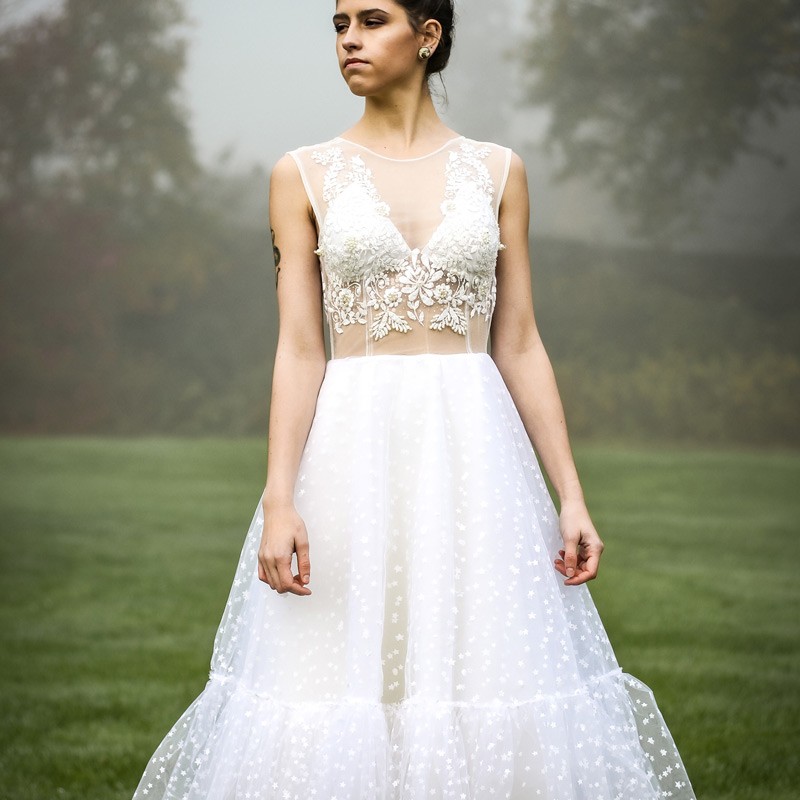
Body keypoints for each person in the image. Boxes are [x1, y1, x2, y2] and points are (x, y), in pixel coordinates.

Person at [131, 1, 696, 798]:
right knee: (342, 676)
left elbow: (521, 340)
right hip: (354, 451)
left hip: (475, 454)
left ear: (428, 36)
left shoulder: (500, 171)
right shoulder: (303, 174)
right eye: (338, 25)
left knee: (486, 672)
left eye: (372, 20)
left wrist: (571, 494)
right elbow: (299, 349)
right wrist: (280, 498)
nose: (349, 39)